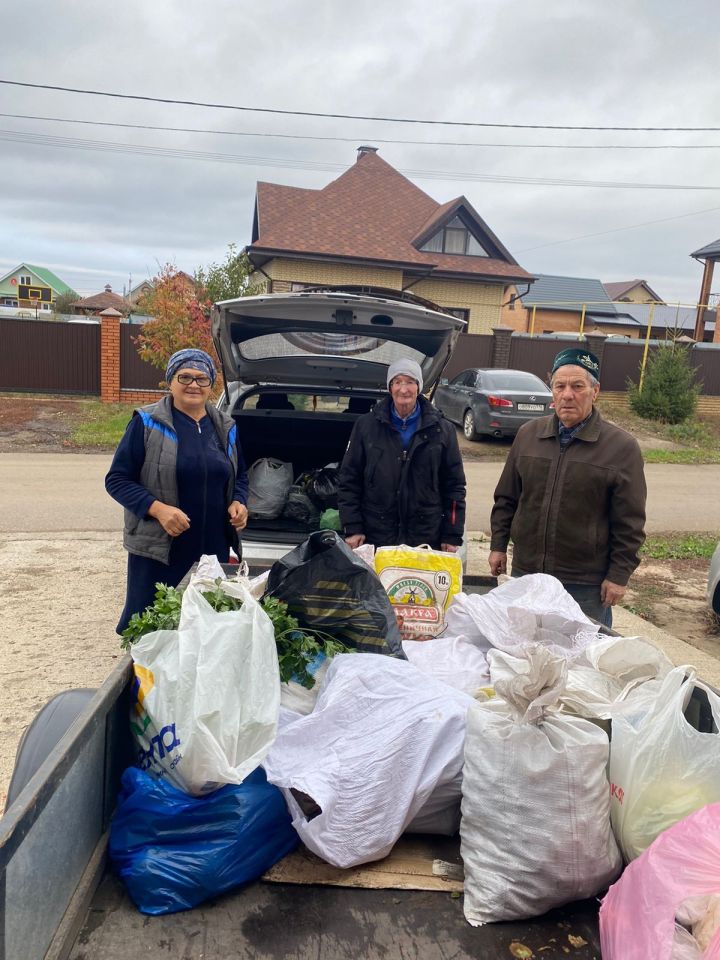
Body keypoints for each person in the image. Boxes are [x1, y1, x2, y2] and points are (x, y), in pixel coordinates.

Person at [488, 347, 646, 626]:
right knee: (522, 650)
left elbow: (629, 523)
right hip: (527, 574)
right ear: (552, 392)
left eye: (577, 386)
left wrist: (618, 575)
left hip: (584, 584)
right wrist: (498, 545)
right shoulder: (528, 436)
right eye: (560, 386)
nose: (567, 394)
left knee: (580, 661)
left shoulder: (621, 447)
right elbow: (507, 498)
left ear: (595, 391)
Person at [105, 348, 249, 634]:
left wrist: (239, 501)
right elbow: (117, 480)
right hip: (162, 550)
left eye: (201, 378)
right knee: (154, 629)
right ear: (170, 381)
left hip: (212, 549)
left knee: (205, 627)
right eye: (185, 376)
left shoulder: (225, 426)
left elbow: (240, 476)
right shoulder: (146, 423)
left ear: (211, 385)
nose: (193, 384)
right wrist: (158, 509)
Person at [338, 357, 466, 551]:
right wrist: (353, 526)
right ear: (390, 387)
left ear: (419, 387)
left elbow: (454, 486)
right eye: (397, 382)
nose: (403, 389)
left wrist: (452, 534)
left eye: (410, 382)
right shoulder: (366, 426)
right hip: (377, 534)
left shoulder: (442, 429)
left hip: (425, 536)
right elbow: (349, 479)